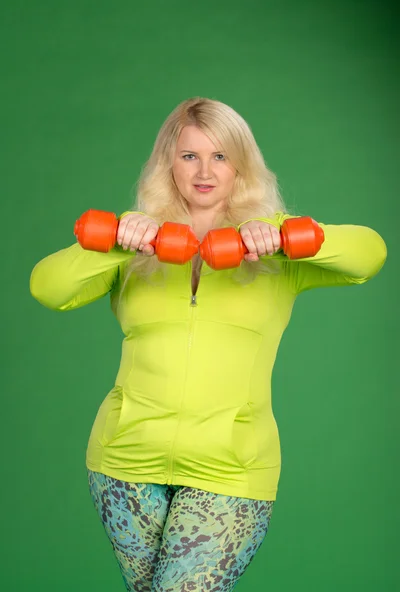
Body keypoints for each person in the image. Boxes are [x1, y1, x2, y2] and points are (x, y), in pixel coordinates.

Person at [30, 97, 387, 592]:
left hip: (231, 468)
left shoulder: (274, 251)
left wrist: (287, 235)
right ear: (168, 164)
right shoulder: (134, 244)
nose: (204, 171)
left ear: (241, 164)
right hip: (124, 461)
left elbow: (370, 254)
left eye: (220, 156)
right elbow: (48, 287)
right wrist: (117, 240)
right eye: (189, 155)